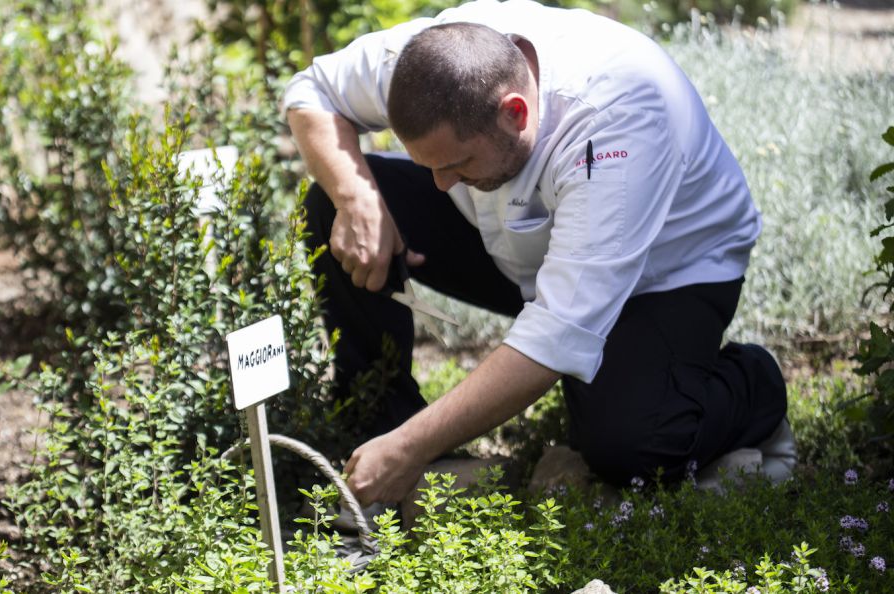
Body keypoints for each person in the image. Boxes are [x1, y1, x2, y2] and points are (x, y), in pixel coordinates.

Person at [281, 0, 791, 506]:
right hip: (516, 236)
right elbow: (311, 91)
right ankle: (378, 428)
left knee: (630, 445)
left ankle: (755, 384)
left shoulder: (615, 125)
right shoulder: (426, 62)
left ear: (514, 112)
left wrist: (412, 447)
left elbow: (558, 333)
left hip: (664, 270)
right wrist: (358, 199)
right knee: (333, 202)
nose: (439, 184)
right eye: (430, 165)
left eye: (456, 163)